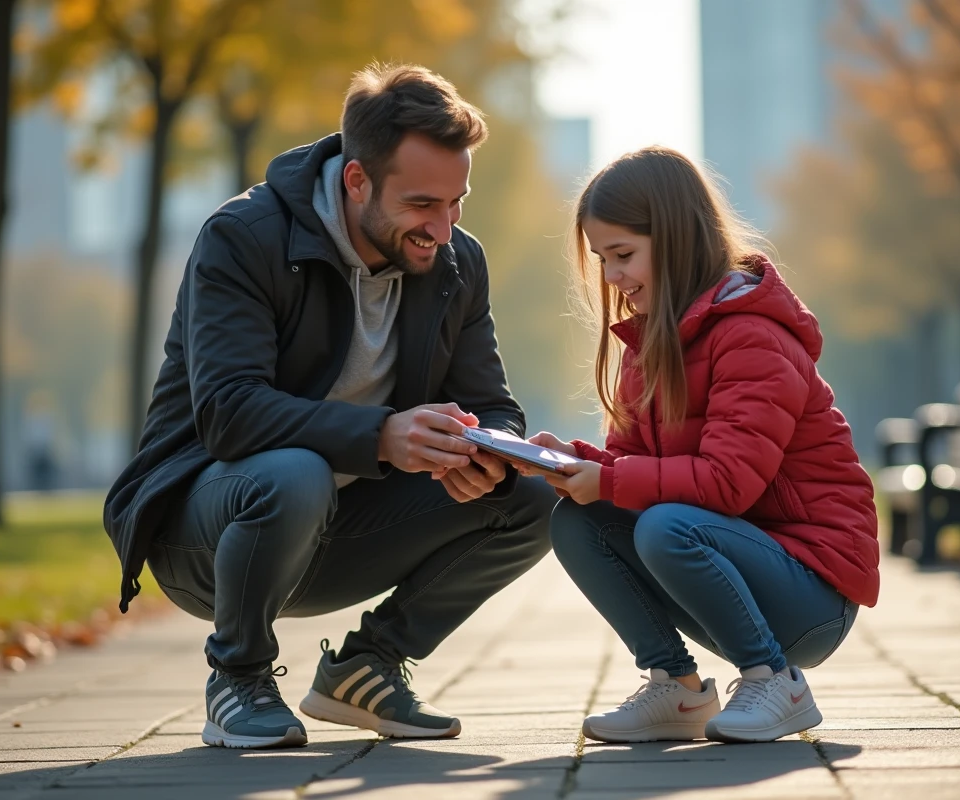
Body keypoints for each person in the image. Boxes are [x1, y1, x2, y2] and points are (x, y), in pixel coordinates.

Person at [103, 64, 555, 750]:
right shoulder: (244, 238)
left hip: (344, 530)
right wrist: (382, 435)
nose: (443, 228)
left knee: (533, 495)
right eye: (422, 204)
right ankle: (238, 677)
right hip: (209, 532)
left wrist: (489, 450)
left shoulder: (457, 262)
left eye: (456, 202)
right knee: (296, 472)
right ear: (357, 180)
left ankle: (366, 668)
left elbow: (494, 403)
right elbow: (228, 412)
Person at [516, 146, 879, 744]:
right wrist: (580, 464)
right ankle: (677, 689)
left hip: (812, 595)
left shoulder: (752, 336)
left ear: (677, 239)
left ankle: (775, 682)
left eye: (624, 255)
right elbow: (638, 471)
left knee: (665, 526)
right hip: (734, 563)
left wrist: (611, 479)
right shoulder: (649, 344)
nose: (612, 277)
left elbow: (726, 484)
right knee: (579, 520)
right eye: (603, 260)